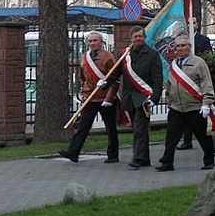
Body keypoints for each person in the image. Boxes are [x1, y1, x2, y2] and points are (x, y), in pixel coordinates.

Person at [102, 25, 163, 168]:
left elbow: (157, 79)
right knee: (137, 128)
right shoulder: (125, 54)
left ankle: (138, 158)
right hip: (129, 96)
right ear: (131, 39)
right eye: (135, 36)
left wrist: (154, 98)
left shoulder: (152, 54)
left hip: (143, 96)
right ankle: (145, 159)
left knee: (140, 127)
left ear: (144, 38)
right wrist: (105, 83)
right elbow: (116, 73)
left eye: (140, 36)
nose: (138, 39)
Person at [156, 35, 215, 172]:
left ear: (189, 47)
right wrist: (170, 100)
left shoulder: (199, 63)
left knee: (202, 136)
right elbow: (170, 85)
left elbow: (207, 84)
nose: (181, 48)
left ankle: (209, 160)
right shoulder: (174, 65)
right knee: (171, 136)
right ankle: (167, 162)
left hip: (194, 107)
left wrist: (206, 103)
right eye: (178, 46)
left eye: (183, 45)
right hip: (177, 107)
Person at [59, 31, 120, 164]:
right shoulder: (84, 57)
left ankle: (113, 155)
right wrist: (83, 93)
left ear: (101, 42)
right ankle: (73, 152)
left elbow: (115, 79)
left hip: (105, 98)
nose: (92, 43)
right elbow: (82, 78)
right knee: (83, 125)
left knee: (110, 127)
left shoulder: (108, 57)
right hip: (90, 98)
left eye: (95, 40)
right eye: (90, 41)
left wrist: (109, 98)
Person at [177, 16, 212, 150]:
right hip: (184, 82)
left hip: (196, 81)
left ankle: (209, 145)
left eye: (193, 23)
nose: (191, 25)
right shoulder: (181, 40)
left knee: (198, 121)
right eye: (188, 23)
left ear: (197, 25)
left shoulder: (203, 40)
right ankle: (187, 140)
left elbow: (208, 55)